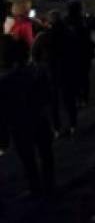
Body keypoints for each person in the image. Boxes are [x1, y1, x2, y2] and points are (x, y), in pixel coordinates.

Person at [0, 35, 56, 197]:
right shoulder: (37, 73)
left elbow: (3, 113)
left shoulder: (5, 82)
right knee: (46, 155)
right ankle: (49, 185)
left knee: (28, 159)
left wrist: (3, 139)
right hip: (39, 120)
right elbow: (48, 97)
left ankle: (35, 187)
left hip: (19, 125)